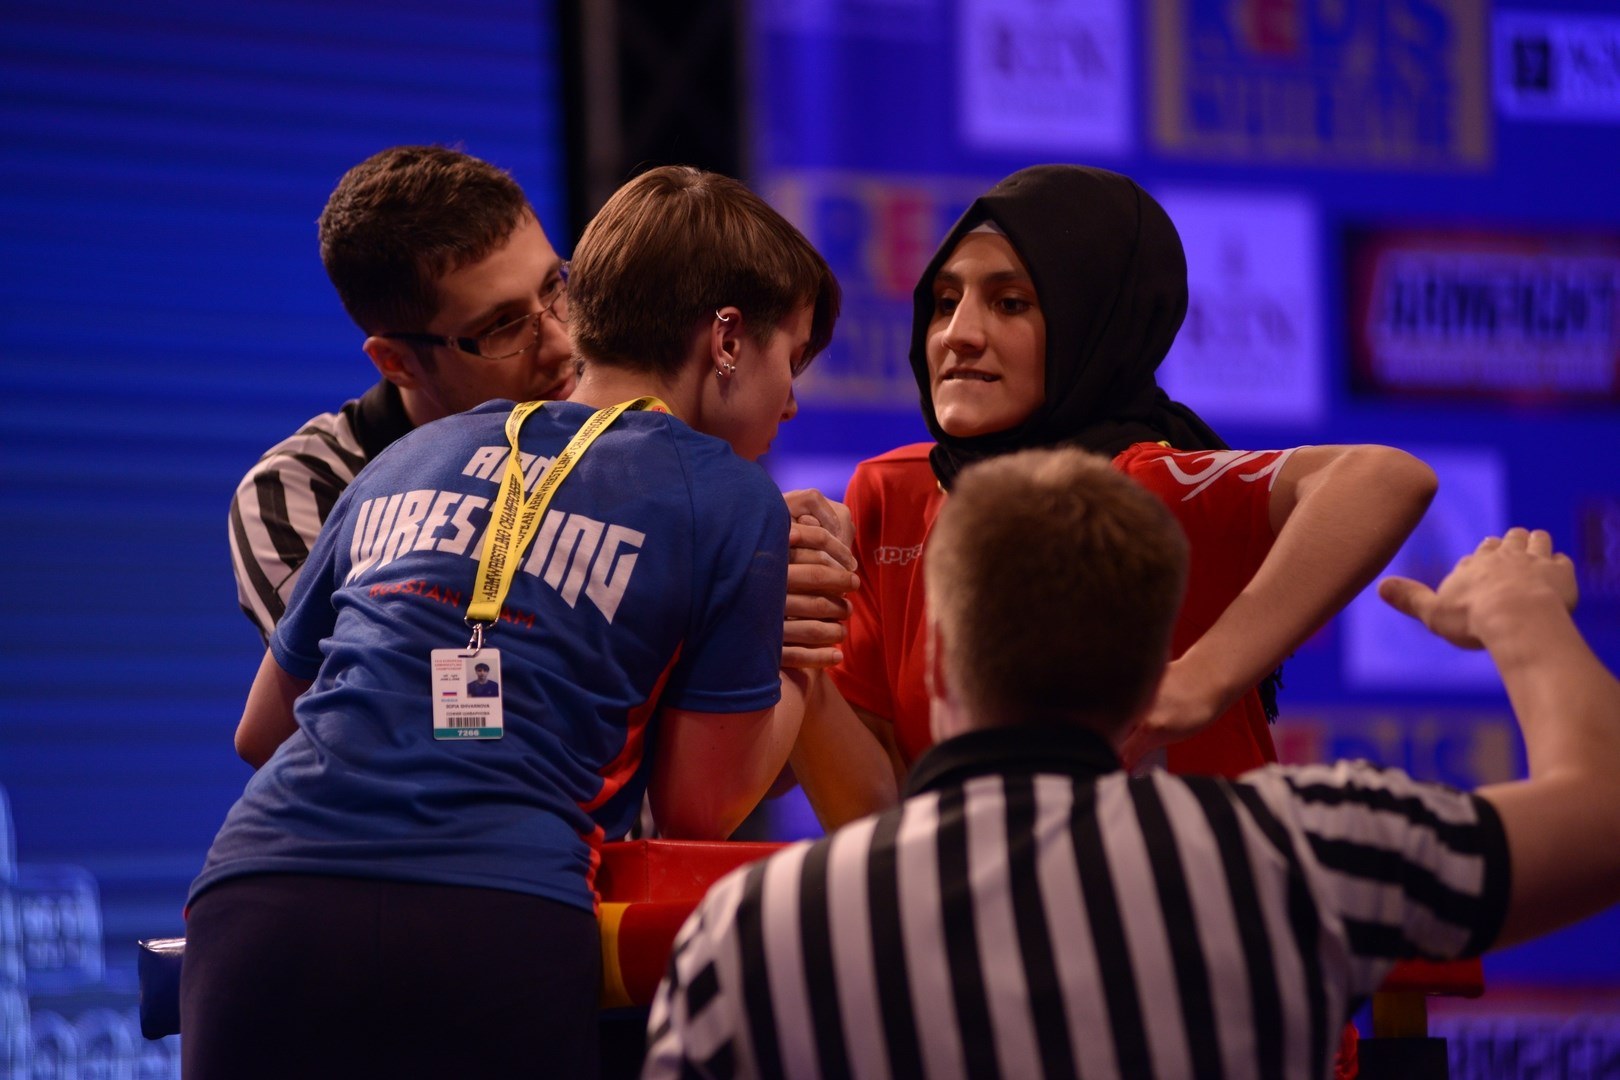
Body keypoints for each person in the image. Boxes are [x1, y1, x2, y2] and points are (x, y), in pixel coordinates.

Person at [644, 447, 1620, 1080]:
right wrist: (1518, 613)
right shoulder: (1299, 856)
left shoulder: (753, 935)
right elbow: (1604, 815)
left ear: (935, 660)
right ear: (1152, 673)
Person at [180, 165, 842, 1079]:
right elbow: (700, 808)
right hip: (494, 913)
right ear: (727, 338)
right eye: (792, 358)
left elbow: (264, 729)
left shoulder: (413, 452)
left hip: (257, 896)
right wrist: (804, 655)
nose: (793, 400)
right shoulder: (732, 499)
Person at [791, 164, 1438, 828]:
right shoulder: (891, 493)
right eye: (945, 300)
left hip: (1195, 905)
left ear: (1096, 323)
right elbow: (872, 818)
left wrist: (1201, 679)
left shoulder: (1139, 489)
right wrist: (786, 637)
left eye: (1010, 303)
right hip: (978, 911)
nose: (958, 333)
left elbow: (1386, 480)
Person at [228, 145, 577, 642]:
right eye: (502, 327)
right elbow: (379, 703)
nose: (561, 344)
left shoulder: (629, 427)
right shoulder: (303, 493)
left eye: (552, 288)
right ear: (397, 363)